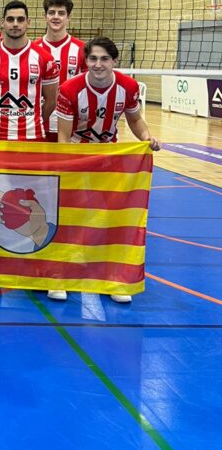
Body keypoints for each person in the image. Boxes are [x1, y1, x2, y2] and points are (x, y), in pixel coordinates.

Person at [54, 36, 161, 304]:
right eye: (93, 58)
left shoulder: (128, 86)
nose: (98, 64)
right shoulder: (69, 89)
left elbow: (135, 120)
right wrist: (68, 165)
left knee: (112, 217)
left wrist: (146, 137)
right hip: (78, 157)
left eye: (104, 59)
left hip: (109, 160)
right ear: (86, 61)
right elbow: (63, 136)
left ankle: (114, 277)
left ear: (114, 61)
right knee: (71, 216)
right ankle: (60, 275)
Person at [0, 0, 58, 142]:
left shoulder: (45, 58)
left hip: (33, 135)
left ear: (28, 22)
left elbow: (51, 101)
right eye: (10, 19)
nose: (15, 24)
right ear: (3, 22)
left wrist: (34, 120)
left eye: (20, 19)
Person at [34, 0, 85, 142]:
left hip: (72, 125)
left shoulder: (82, 49)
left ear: (69, 18)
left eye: (61, 13)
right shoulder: (33, 49)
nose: (56, 17)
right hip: (40, 123)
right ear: (45, 17)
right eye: (51, 13)